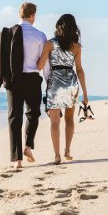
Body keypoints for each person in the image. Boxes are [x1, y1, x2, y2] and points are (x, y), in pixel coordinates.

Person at [37, 14, 88, 165]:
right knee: (69, 119)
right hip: (71, 83)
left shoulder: (49, 44)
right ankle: (67, 150)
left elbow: (40, 66)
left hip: (55, 85)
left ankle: (57, 155)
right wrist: (85, 92)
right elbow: (79, 70)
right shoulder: (76, 46)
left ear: (58, 26)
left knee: (54, 123)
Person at [6, 2, 48, 169]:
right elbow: (43, 63)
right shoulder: (40, 35)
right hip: (32, 78)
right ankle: (28, 147)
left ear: (20, 15)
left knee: (15, 118)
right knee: (33, 114)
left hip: (14, 80)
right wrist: (48, 81)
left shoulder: (10, 33)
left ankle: (17, 161)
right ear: (33, 15)